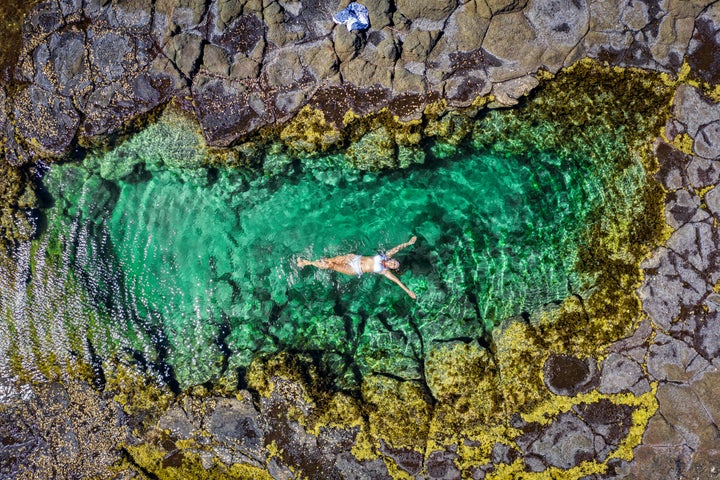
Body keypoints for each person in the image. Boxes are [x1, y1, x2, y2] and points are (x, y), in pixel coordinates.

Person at [297, 236, 417, 299]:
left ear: (393, 269)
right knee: (329, 260)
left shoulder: (385, 271)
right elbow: (397, 248)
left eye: (394, 265)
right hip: (354, 258)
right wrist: (408, 243)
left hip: (354, 270)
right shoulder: (385, 256)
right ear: (392, 259)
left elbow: (398, 282)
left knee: (331, 265)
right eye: (394, 261)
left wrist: (408, 291)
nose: (392, 263)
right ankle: (307, 263)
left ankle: (306, 263)